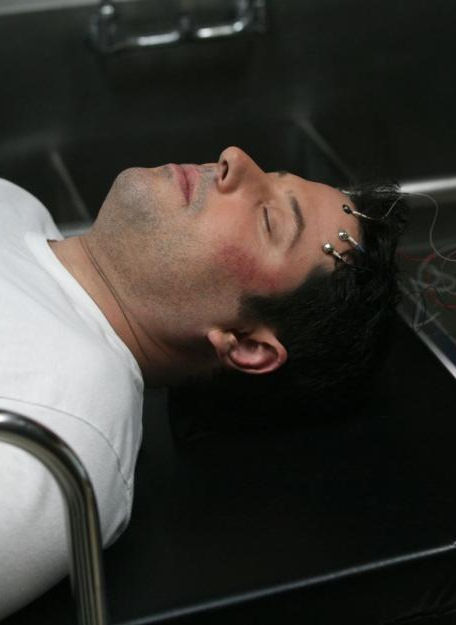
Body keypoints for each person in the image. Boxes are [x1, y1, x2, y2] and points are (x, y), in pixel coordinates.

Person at [0, 146, 406, 619]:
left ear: (246, 346)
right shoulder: (21, 209)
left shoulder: (65, 429)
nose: (235, 158)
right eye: (272, 173)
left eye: (268, 219)